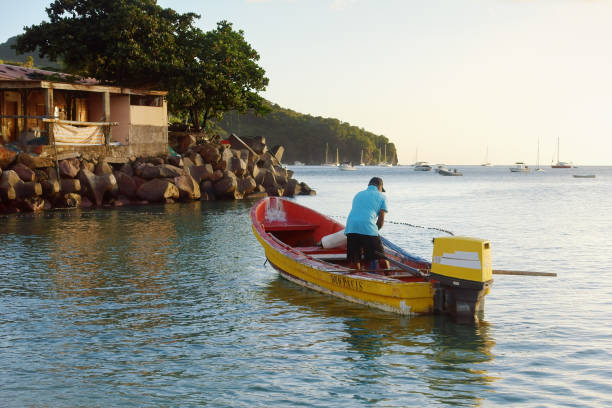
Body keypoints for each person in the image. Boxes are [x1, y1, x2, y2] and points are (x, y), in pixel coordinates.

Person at [344, 177, 390, 271]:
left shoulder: (358, 194)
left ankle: (357, 276)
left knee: (354, 259)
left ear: (369, 185)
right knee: (381, 258)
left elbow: (359, 212)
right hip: (368, 227)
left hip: (351, 227)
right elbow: (380, 221)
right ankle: (389, 277)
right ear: (380, 187)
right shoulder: (382, 197)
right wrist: (374, 232)